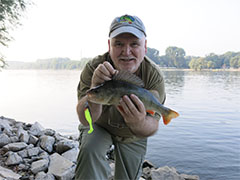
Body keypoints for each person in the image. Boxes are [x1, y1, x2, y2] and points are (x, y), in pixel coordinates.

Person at [75, 14, 166, 180]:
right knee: (90, 150)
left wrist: (138, 122)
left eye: (134, 44)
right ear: (109, 45)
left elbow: (152, 126)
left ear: (145, 47)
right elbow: (84, 118)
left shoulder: (154, 76)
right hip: (98, 125)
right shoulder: (94, 67)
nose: (126, 52)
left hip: (132, 133)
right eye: (118, 44)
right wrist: (94, 88)